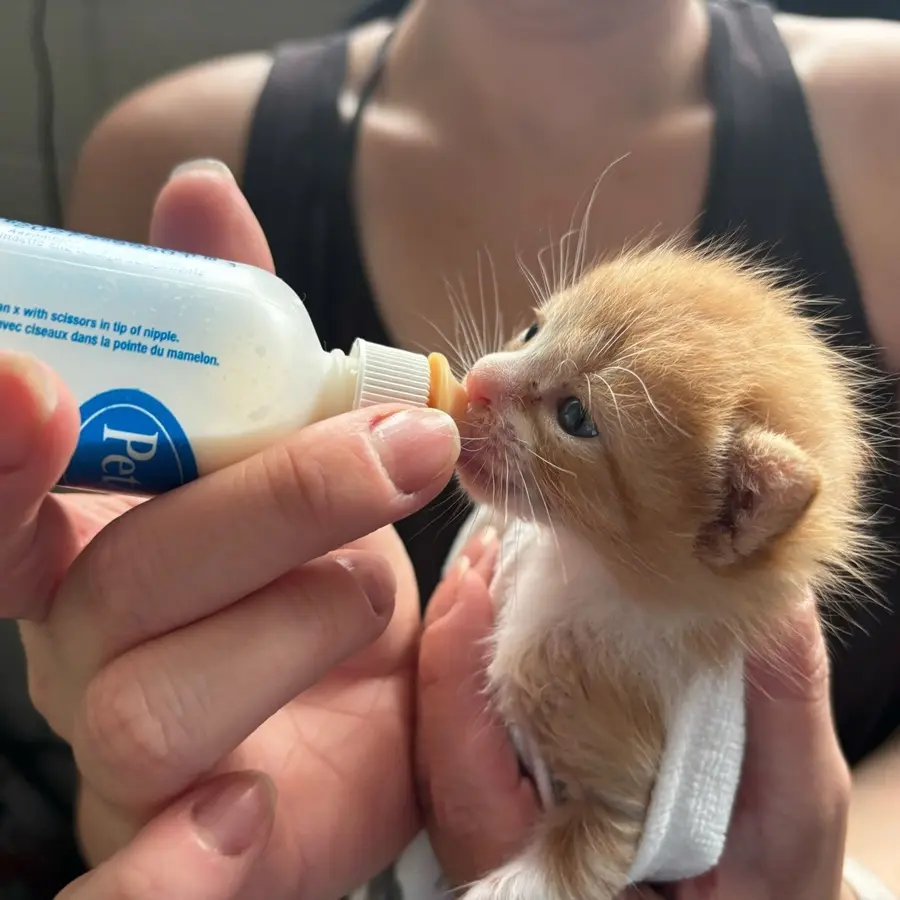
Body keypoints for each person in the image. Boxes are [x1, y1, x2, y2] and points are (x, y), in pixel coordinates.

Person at [3, 0, 899, 895]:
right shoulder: (166, 139)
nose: (486, 378)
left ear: (736, 515)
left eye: (577, 419)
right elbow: (114, 786)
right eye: (533, 325)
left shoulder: (882, 117)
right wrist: (155, 793)